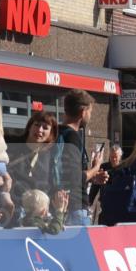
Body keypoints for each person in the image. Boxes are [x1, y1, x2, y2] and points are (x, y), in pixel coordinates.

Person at [50, 89, 108, 226]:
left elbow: (67, 173)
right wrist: (96, 167)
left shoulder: (56, 132)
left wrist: (94, 178)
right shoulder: (72, 136)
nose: (90, 116)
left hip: (58, 205)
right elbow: (75, 178)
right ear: (83, 112)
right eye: (90, 112)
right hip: (74, 207)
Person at [8, 110, 58, 225]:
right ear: (30, 127)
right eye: (36, 125)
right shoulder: (12, 147)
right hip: (13, 212)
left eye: (45, 127)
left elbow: (51, 185)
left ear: (51, 133)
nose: (39, 130)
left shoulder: (50, 156)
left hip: (38, 216)